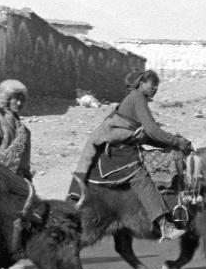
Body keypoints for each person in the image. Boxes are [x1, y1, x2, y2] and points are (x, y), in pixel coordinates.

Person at [70, 69, 191, 241]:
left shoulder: (136, 99)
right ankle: (164, 225)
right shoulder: (137, 98)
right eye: (152, 84)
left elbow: (146, 135)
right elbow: (152, 130)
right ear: (141, 84)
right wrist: (176, 142)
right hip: (118, 153)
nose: (155, 88)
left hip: (123, 148)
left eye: (157, 85)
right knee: (142, 179)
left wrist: (170, 142)